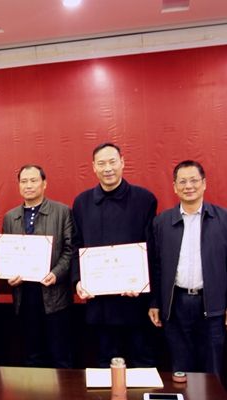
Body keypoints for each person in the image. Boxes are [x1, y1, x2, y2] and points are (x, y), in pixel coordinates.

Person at [148, 160, 227, 375]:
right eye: (182, 182)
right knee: (181, 370)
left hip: (212, 305)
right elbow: (156, 266)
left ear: (204, 183)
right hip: (176, 305)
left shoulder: (224, 218)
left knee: (212, 371)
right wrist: (154, 302)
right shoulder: (162, 222)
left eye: (193, 181)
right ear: (174, 187)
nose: (188, 186)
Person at [71, 142, 158, 368]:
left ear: (122, 162)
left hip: (136, 301)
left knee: (142, 363)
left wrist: (145, 285)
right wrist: (78, 280)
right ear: (93, 167)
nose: (107, 168)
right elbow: (76, 245)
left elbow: (153, 250)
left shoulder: (144, 199)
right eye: (101, 163)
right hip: (100, 304)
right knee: (104, 363)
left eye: (112, 162)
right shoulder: (81, 203)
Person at [2, 164, 74, 368]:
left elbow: (70, 249)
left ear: (44, 184)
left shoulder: (62, 212)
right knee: (32, 356)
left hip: (55, 296)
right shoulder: (10, 217)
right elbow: (6, 254)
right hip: (24, 297)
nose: (28, 185)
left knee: (60, 356)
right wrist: (7, 275)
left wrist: (56, 273)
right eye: (24, 181)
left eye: (33, 180)